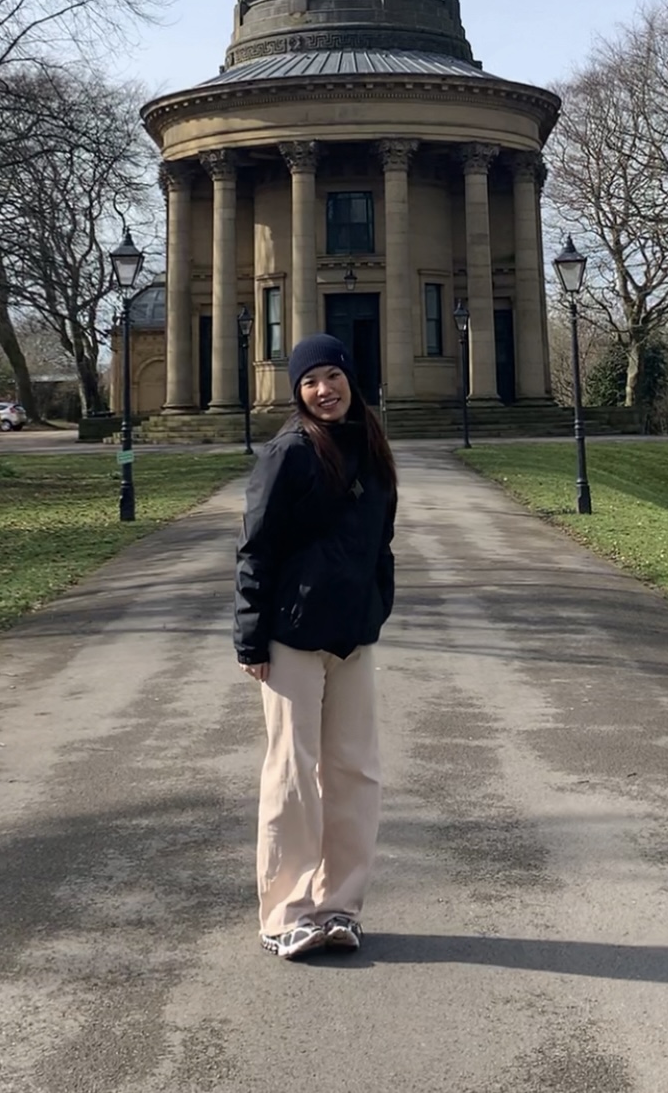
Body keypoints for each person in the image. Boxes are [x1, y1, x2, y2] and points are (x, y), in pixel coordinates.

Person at [234, 332, 398, 959]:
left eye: (332, 376)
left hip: (352, 636)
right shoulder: (289, 453)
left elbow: (381, 542)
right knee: (292, 773)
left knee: (356, 772)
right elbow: (256, 548)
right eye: (309, 382)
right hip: (293, 637)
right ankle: (285, 915)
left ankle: (339, 907)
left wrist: (375, 606)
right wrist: (252, 637)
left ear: (351, 379)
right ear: (297, 393)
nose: (323, 390)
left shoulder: (373, 449)